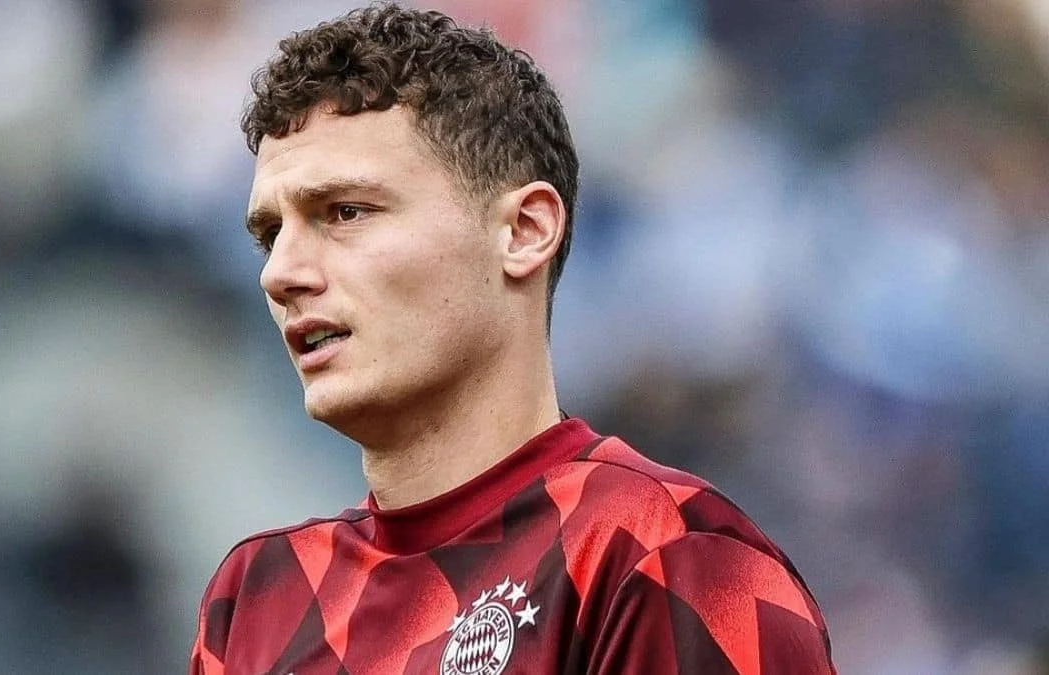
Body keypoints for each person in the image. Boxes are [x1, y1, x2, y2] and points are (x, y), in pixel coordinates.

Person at [191, 4, 836, 673]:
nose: (280, 274)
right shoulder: (256, 597)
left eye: (346, 212)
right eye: (271, 235)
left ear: (525, 232)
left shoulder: (660, 553)